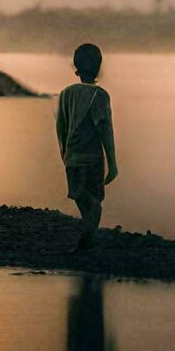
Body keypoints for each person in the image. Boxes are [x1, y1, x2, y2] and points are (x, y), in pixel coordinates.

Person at [55, 43, 118, 251]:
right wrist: (112, 162)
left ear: (76, 67)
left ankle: (87, 236)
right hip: (92, 159)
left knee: (82, 198)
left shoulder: (66, 94)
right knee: (95, 201)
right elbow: (105, 130)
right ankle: (87, 239)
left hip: (72, 157)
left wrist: (64, 154)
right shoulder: (99, 95)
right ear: (99, 68)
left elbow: (60, 128)